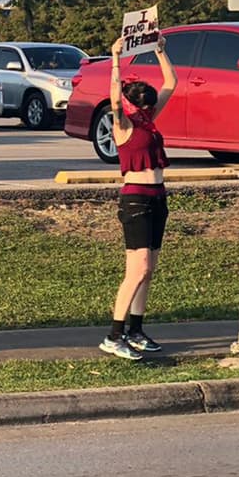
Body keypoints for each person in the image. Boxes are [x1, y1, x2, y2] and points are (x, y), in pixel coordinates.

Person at [101, 34, 177, 361]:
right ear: (133, 103)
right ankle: (114, 335)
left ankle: (136, 330)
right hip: (136, 200)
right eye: (143, 104)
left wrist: (161, 52)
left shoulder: (147, 120)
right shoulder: (123, 124)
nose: (148, 108)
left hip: (158, 197)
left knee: (149, 270)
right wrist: (116, 57)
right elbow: (115, 99)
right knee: (138, 267)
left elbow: (171, 84)